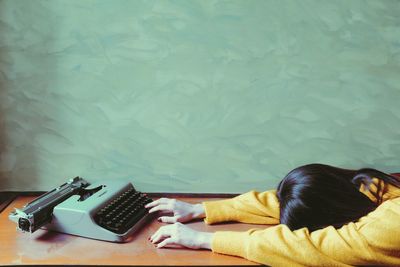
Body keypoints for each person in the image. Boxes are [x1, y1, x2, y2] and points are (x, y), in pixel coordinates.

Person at [144, 163, 400, 266]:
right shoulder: (370, 186)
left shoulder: (389, 224)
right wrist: (200, 209)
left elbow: (313, 247)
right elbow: (293, 198)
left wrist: (204, 240)